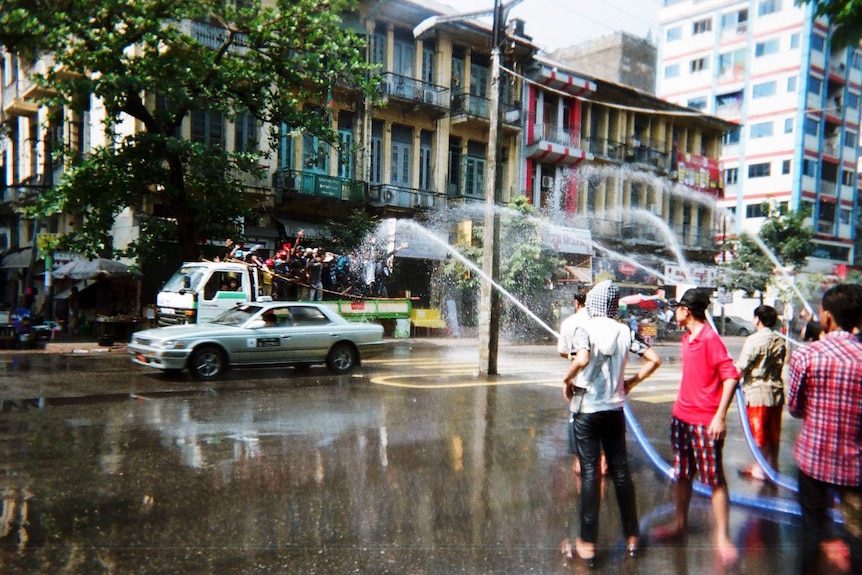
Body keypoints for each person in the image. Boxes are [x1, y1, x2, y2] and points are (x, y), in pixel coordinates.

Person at [560, 280, 662, 565]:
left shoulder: (585, 328)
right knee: (620, 472)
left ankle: (587, 545)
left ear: (592, 303)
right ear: (614, 305)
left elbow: (581, 359)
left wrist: (566, 380)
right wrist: (631, 382)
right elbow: (654, 359)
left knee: (591, 473)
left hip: (587, 412)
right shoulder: (625, 330)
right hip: (614, 411)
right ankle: (632, 536)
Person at [653, 288, 740, 566]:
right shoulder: (687, 338)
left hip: (705, 422)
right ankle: (680, 524)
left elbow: (731, 377)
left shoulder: (710, 339)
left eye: (677, 308)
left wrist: (720, 416)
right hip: (681, 418)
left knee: (715, 480)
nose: (674, 313)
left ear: (686, 311)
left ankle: (722, 538)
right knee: (683, 474)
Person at [787, 283, 862, 575]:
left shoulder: (806, 356)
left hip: (813, 461)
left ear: (827, 317)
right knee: (857, 537)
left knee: (812, 532)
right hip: (856, 466)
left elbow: (795, 408)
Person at [736, 305, 787, 480]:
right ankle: (772, 465)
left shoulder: (754, 340)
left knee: (759, 432)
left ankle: (760, 469)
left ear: (757, 319)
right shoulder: (779, 340)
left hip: (757, 392)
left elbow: (742, 366)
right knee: (773, 432)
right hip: (776, 392)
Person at [556, 288, 591, 473]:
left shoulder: (569, 323)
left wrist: (572, 354)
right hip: (602, 382)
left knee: (578, 420)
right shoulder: (598, 321)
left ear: (576, 303)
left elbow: (562, 351)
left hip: (578, 379)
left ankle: (580, 465)